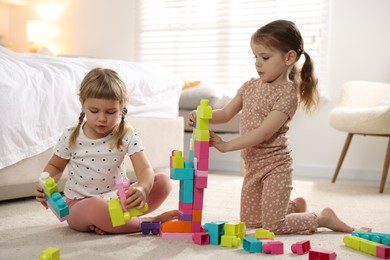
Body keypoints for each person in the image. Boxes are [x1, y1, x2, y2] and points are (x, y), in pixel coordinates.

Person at [187, 20, 355, 234]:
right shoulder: (249, 86)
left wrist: (226, 145)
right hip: (253, 166)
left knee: (273, 226)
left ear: (289, 57)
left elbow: (263, 132)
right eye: (255, 56)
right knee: (250, 224)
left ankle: (322, 218)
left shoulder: (286, 94)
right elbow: (226, 114)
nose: (258, 63)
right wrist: (202, 115)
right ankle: (294, 206)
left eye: (265, 57)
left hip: (276, 167)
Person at [35, 68, 178, 235]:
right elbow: (56, 166)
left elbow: (144, 169)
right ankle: (148, 222)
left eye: (111, 112)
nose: (102, 118)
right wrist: (45, 186)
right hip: (79, 205)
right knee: (95, 207)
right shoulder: (70, 136)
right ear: (83, 104)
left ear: (122, 108)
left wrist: (143, 189)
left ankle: (116, 221)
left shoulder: (127, 135)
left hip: (118, 200)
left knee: (162, 181)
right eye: (94, 111)